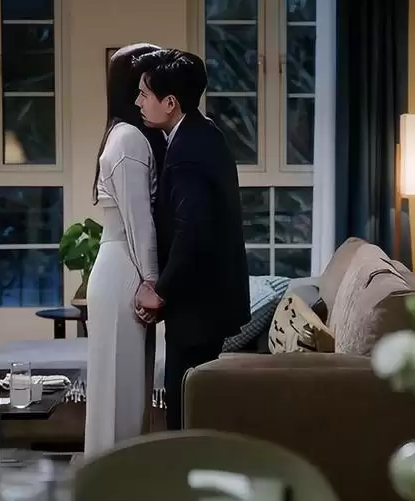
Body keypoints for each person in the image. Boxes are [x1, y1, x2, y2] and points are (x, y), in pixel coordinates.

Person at [132, 49, 251, 430]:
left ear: (170, 103)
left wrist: (161, 291)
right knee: (195, 407)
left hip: (198, 306)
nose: (138, 102)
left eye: (144, 94)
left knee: (183, 412)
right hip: (209, 300)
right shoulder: (205, 131)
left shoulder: (186, 151)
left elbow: (193, 230)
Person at [84, 43, 167, 458]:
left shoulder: (121, 135)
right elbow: (140, 223)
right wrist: (151, 281)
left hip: (119, 265)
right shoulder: (130, 139)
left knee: (122, 394)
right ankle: (114, 477)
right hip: (124, 270)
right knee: (121, 396)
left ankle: (113, 475)